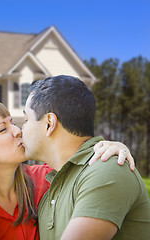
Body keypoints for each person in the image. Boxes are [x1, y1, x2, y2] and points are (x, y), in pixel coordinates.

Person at [0, 101, 134, 240]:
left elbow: (84, 166)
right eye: (3, 129)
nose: (18, 131)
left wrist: (111, 148)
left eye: (12, 122)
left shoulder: (45, 179)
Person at [21, 75, 150, 239]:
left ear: (49, 123)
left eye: (26, 119)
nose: (21, 130)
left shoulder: (106, 169)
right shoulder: (50, 190)